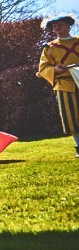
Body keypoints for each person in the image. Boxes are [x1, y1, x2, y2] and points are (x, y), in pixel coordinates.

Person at [38, 14, 79, 158]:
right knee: (71, 117)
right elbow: (43, 69)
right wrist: (55, 69)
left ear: (68, 25)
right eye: (54, 25)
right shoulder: (49, 48)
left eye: (60, 24)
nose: (57, 27)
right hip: (64, 84)